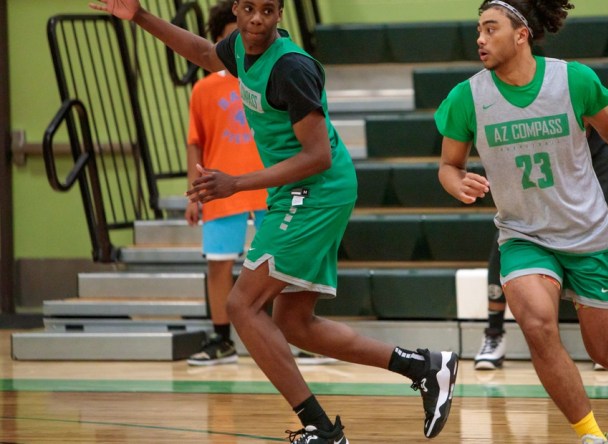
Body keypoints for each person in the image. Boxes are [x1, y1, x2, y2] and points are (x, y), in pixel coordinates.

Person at [88, 0, 459, 442]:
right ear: (237, 10)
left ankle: (321, 428)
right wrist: (141, 17)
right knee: (296, 324)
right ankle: (423, 366)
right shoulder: (242, 49)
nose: (257, 19)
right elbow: (205, 54)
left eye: (267, 9)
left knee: (241, 305)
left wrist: (237, 183)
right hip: (298, 190)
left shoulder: (292, 68)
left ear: (280, 13)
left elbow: (317, 155)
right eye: (249, 8)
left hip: (317, 189)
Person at [435, 1, 608, 442]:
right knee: (537, 324)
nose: (480, 40)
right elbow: (449, 164)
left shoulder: (573, 80)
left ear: (521, 34)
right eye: (478, 31)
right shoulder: (466, 97)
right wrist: (455, 182)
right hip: (524, 235)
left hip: (588, 233)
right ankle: (591, 435)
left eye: (490, 30)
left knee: (607, 351)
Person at [475, 126, 608, 371]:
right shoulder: (548, 137)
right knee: (502, 241)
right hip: (537, 225)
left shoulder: (603, 152)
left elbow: (600, 203)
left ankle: (604, 344)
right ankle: (494, 333)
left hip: (582, 230)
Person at [185, 0, 268, 367]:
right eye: (231, 35)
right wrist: (193, 192)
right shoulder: (203, 89)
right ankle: (221, 339)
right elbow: (195, 143)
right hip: (220, 185)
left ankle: (288, 333)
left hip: (267, 184)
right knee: (219, 263)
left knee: (278, 262)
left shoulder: (271, 74)